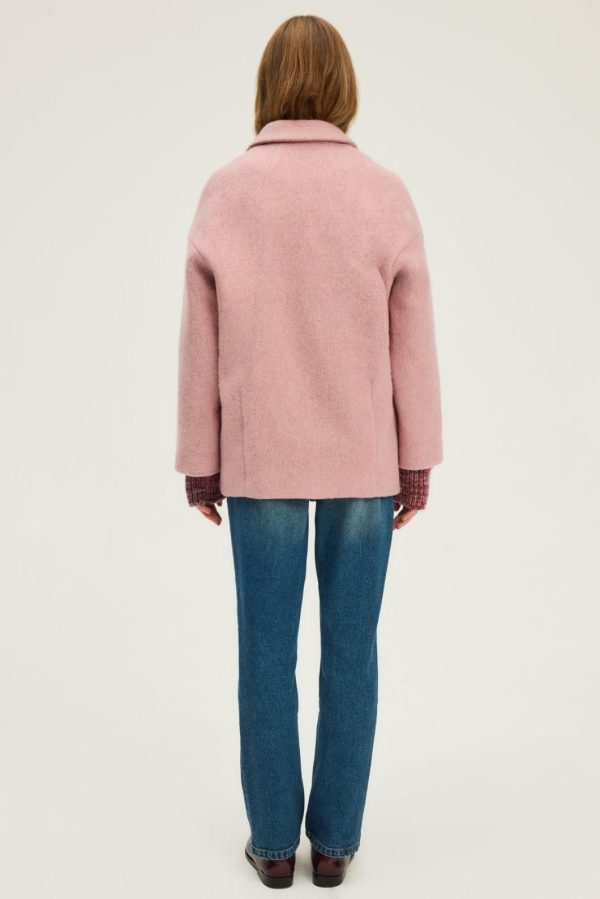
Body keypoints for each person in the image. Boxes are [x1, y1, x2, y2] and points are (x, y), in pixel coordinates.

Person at [174, 14, 443, 889]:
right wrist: (415, 457)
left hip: (261, 459)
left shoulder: (226, 192)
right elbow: (412, 337)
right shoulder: (383, 192)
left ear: (269, 86)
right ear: (342, 88)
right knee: (351, 649)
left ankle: (269, 844)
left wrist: (201, 458)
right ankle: (333, 843)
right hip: (364, 456)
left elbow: (201, 341)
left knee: (265, 651)